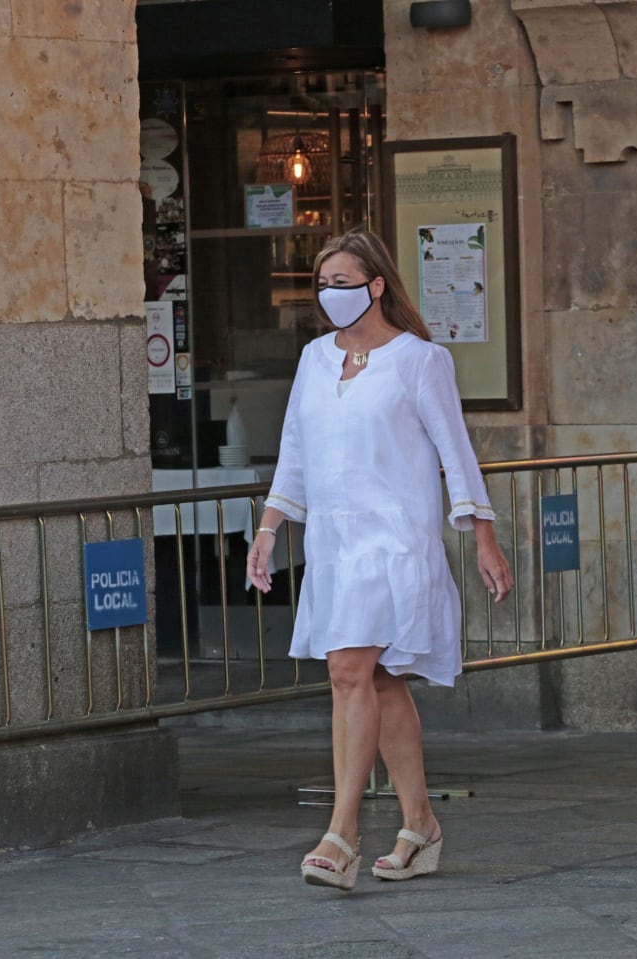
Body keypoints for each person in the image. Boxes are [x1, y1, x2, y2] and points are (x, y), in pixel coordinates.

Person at [247, 230, 513, 892]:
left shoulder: (420, 361)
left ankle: (341, 837)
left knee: (348, 671)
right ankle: (420, 824)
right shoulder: (312, 359)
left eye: (342, 281)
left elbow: (457, 453)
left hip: (396, 539)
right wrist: (268, 527)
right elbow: (295, 448)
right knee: (379, 678)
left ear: (377, 285)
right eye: (322, 283)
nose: (329, 294)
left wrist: (482, 535)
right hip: (335, 543)